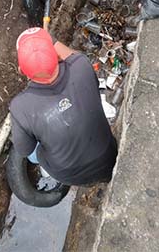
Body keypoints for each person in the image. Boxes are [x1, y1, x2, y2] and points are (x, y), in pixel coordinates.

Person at [9, 27, 118, 186]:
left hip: (70, 175)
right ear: (57, 55)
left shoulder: (20, 107)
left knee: (33, 152)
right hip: (108, 156)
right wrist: (47, 40)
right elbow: (72, 55)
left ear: (21, 71)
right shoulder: (81, 65)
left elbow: (24, 150)